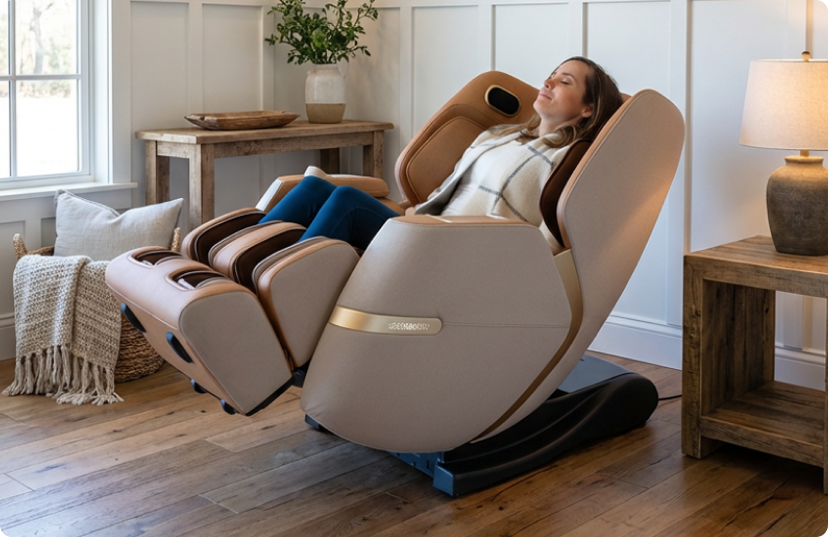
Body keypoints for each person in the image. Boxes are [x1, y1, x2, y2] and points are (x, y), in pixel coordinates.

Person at [260, 57, 623, 250]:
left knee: (347, 202)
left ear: (588, 108)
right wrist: (415, 209)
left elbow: (550, 240)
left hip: (454, 250)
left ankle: (279, 294)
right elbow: (453, 187)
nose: (548, 82)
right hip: (426, 227)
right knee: (311, 189)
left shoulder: (567, 160)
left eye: (565, 81)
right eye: (552, 74)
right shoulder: (502, 135)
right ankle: (233, 273)